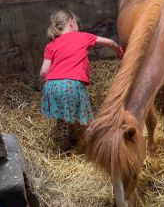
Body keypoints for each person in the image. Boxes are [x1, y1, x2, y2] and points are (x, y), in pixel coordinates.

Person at [39, 9, 124, 151]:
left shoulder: (51, 45)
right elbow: (109, 42)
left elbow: (43, 72)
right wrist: (119, 51)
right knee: (87, 120)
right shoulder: (82, 37)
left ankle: (62, 149)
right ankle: (95, 146)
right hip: (71, 85)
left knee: (62, 118)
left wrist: (48, 82)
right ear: (71, 22)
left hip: (51, 86)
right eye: (76, 23)